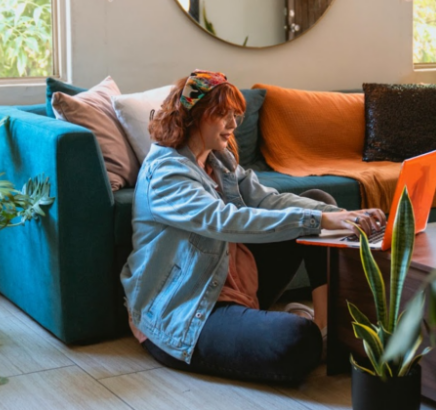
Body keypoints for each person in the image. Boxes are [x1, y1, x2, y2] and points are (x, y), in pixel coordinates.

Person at [120, 70, 385, 384]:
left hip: (234, 282)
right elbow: (225, 220)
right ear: (195, 116)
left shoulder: (218, 160)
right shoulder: (166, 174)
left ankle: (325, 329)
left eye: (235, 116)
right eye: (223, 115)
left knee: (317, 200)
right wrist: (319, 220)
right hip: (186, 310)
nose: (233, 125)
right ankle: (308, 331)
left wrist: (342, 215)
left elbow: (267, 200)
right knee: (298, 339)